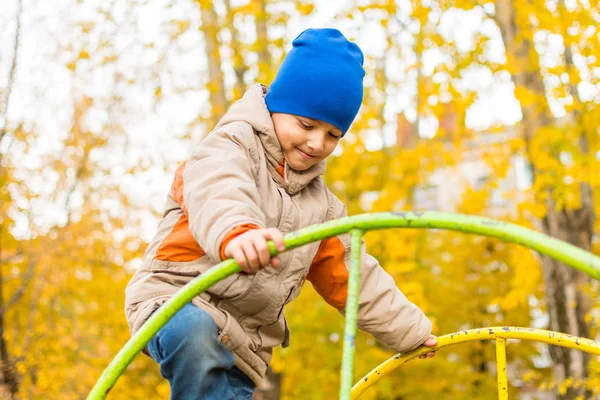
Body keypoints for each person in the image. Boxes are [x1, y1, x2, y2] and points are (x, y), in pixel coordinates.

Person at [125, 28, 437, 400]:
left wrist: (410, 330)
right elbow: (218, 191)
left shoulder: (323, 210)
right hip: (175, 303)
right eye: (306, 125)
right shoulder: (229, 146)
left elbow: (354, 278)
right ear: (275, 105)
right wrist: (239, 233)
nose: (317, 143)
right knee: (195, 336)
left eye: (333, 134)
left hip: (244, 351)